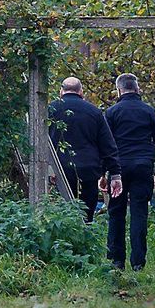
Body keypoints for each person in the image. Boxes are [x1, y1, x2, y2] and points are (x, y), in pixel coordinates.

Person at [103, 73, 155, 271]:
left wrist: (103, 173)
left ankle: (116, 260)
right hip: (142, 166)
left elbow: (105, 145)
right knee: (139, 213)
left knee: (116, 212)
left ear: (119, 90)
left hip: (118, 169)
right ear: (137, 89)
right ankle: (138, 262)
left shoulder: (112, 113)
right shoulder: (148, 112)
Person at [49, 77, 123, 222]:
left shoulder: (50, 110)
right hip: (88, 171)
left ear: (61, 91)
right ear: (81, 92)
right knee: (86, 216)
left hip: (59, 171)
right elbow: (108, 145)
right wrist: (115, 174)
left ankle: (64, 243)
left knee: (61, 216)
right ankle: (85, 241)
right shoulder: (94, 112)